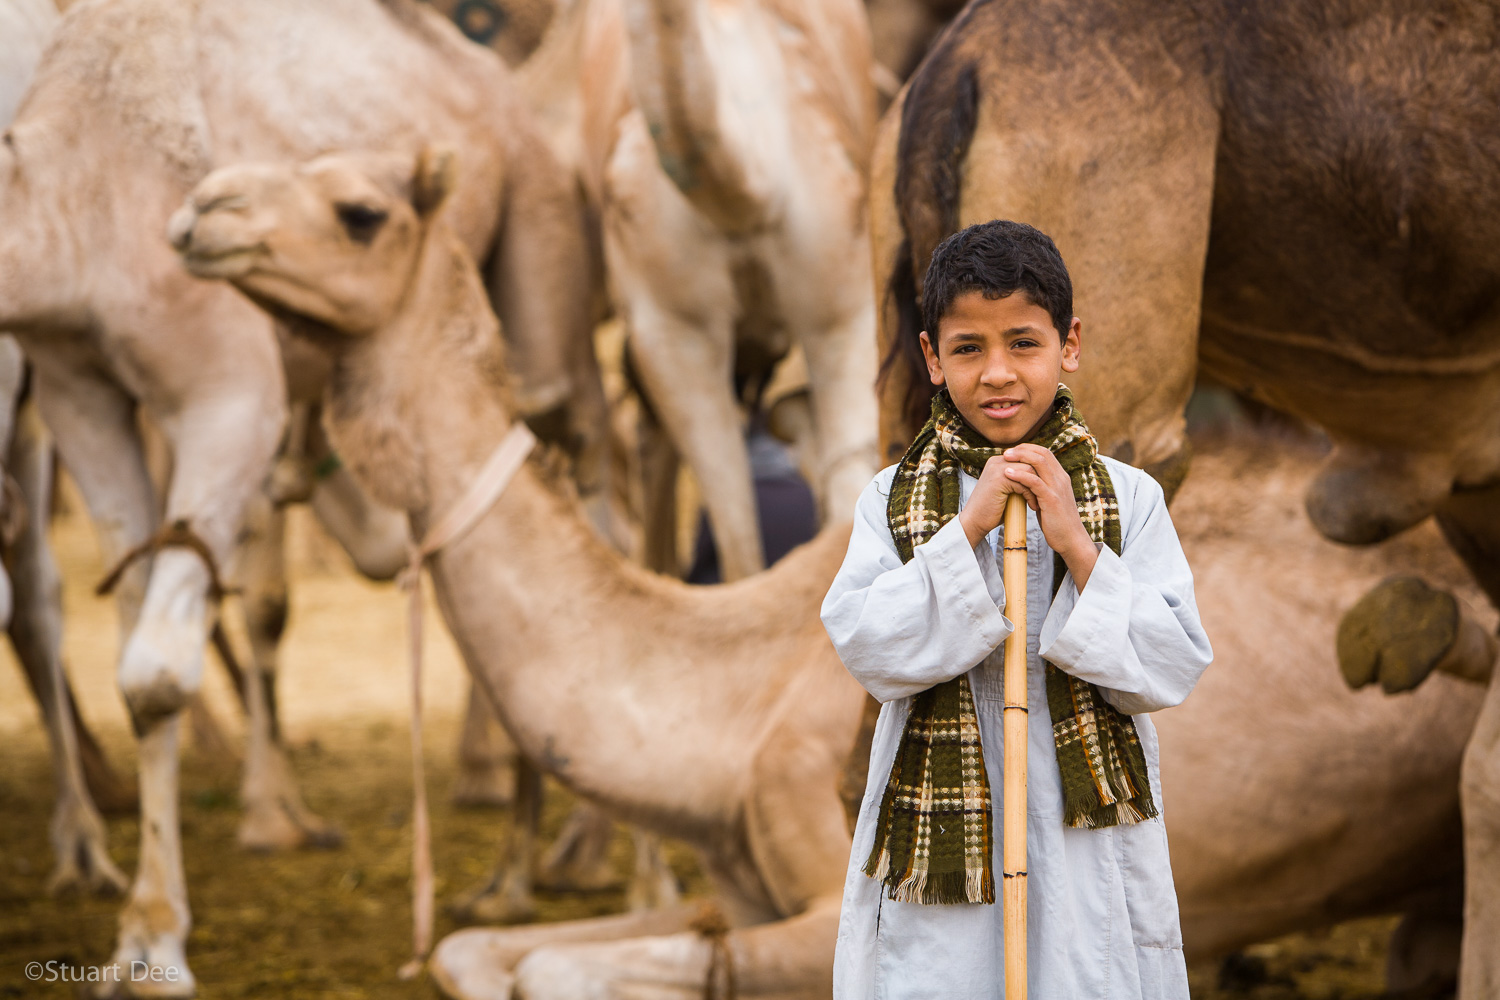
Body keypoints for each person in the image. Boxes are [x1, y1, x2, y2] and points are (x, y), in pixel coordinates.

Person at [821, 220, 1213, 999]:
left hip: (1085, 842)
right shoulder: (891, 501)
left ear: (1069, 344)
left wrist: (1075, 543)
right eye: (969, 348)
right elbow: (869, 648)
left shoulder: (1127, 497)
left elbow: (1170, 665)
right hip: (944, 852)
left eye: (1023, 343)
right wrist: (966, 529)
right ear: (933, 358)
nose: (998, 373)